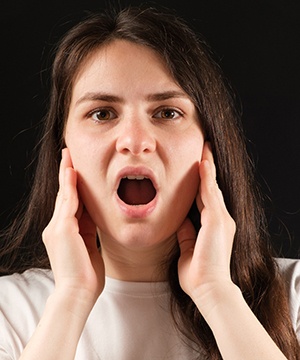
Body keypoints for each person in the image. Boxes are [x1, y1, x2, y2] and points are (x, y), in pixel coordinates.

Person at [0, 5, 299, 360]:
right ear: (63, 151)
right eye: (102, 113)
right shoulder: (10, 311)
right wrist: (72, 297)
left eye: (167, 113)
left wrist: (217, 293)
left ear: (209, 147)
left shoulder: (293, 296)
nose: (134, 140)